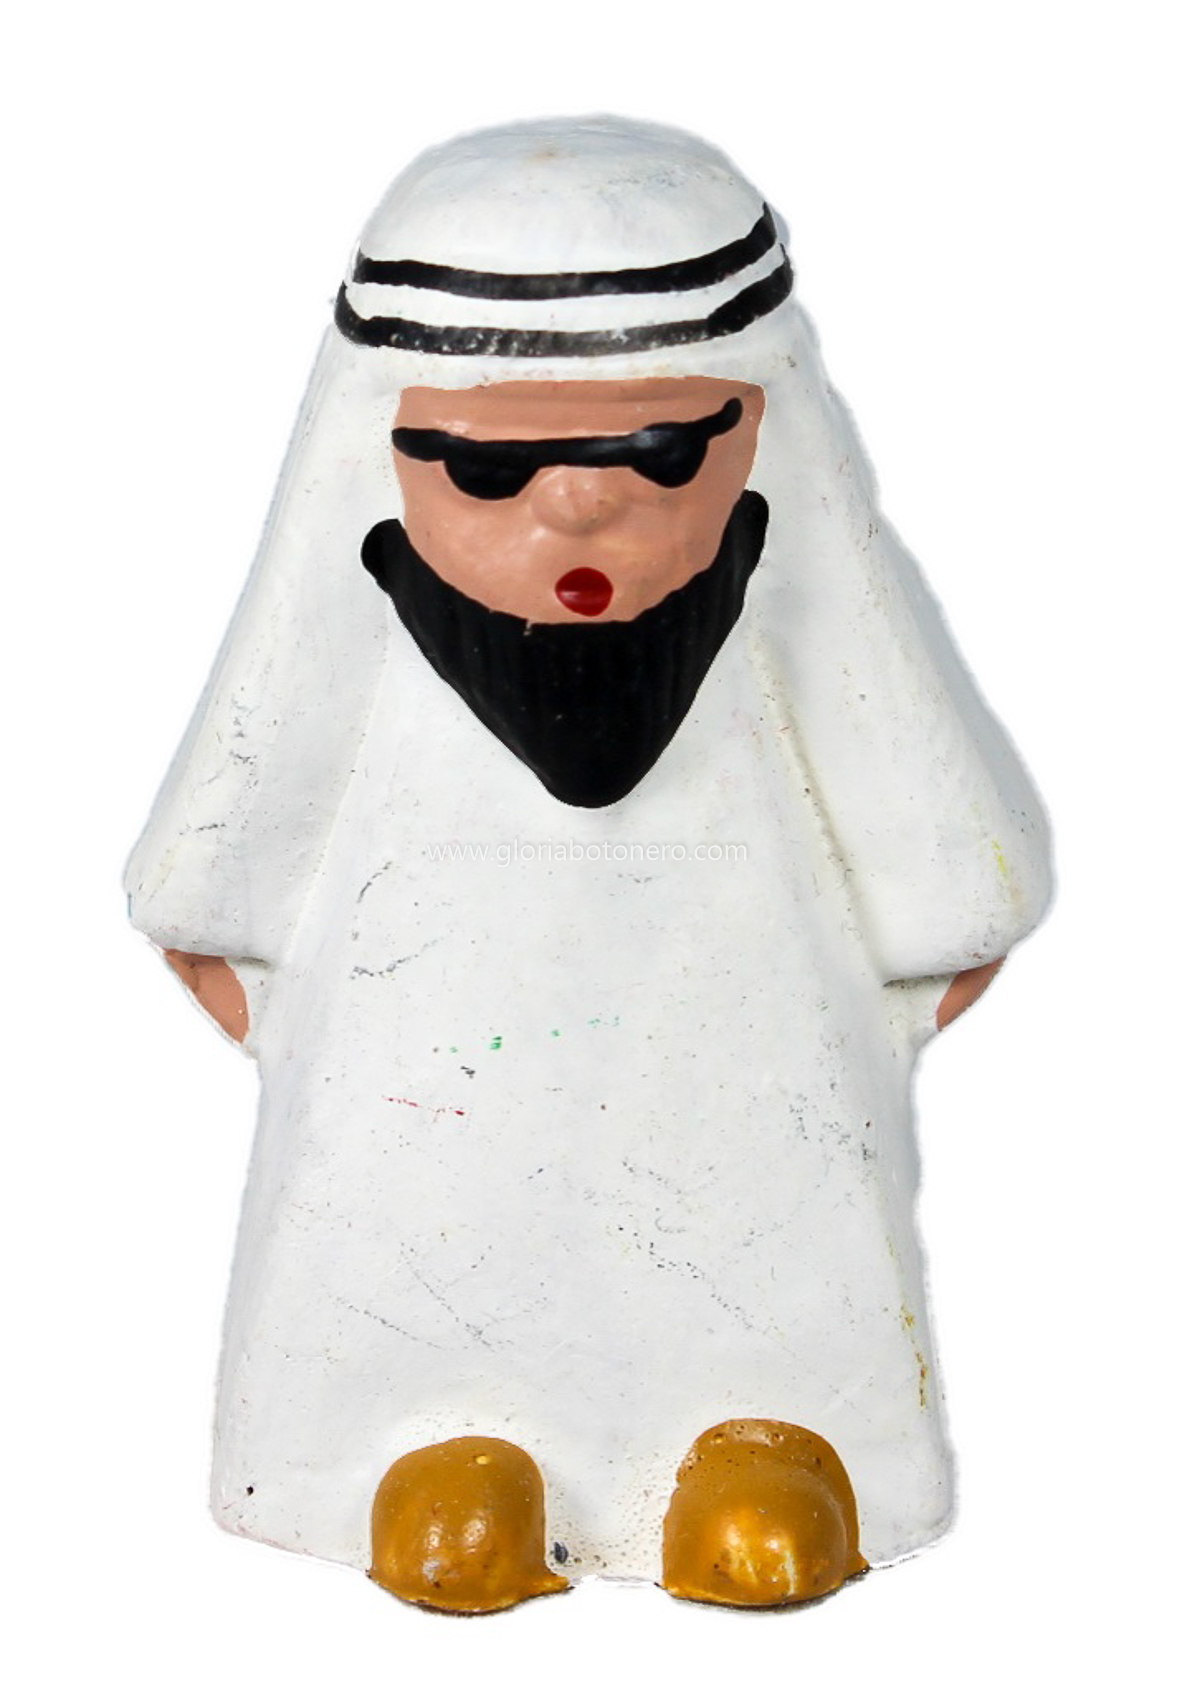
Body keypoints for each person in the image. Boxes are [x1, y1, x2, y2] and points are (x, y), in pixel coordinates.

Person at [127, 116, 1050, 1611]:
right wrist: (232, 933)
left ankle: (773, 1440)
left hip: (740, 1011)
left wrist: (935, 927)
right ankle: (423, 1443)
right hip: (415, 1024)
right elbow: (258, 765)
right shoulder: (363, 623)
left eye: (658, 454)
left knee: (766, 1205)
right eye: (488, 470)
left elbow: (897, 758)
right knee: (412, 1209)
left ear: (758, 431)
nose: (578, 507)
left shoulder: (783, 605)